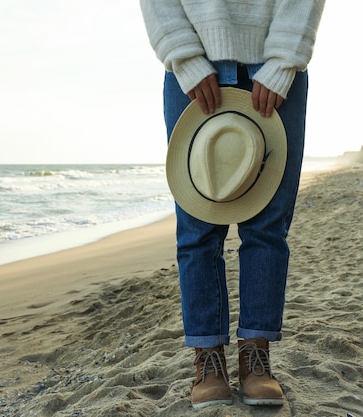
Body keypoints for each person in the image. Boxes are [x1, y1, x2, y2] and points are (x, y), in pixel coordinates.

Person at [139, 0, 324, 409]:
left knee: (268, 225)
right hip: (193, 64)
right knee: (197, 227)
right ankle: (208, 359)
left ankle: (255, 358)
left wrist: (284, 60)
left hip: (275, 66)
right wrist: (183, 56)